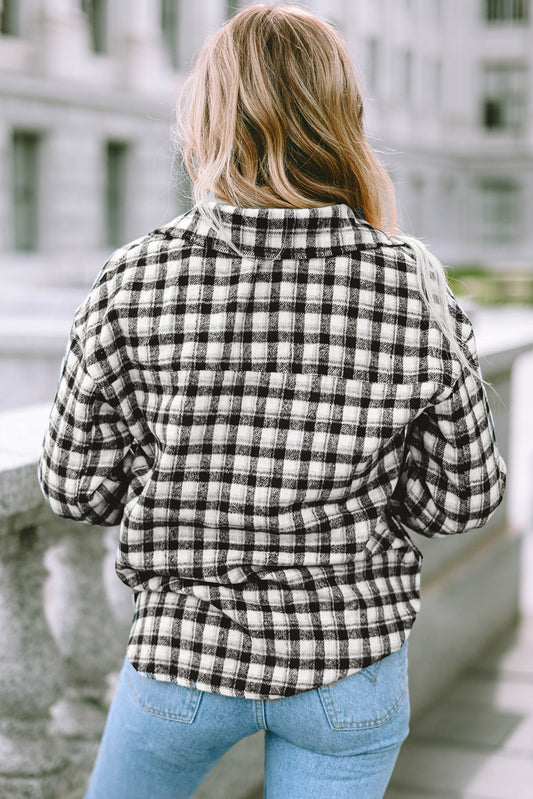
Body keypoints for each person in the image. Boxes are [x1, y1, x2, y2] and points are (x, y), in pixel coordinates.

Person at [37, 5, 506, 798]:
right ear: (340, 119)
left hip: (180, 660)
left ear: (208, 116)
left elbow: (75, 487)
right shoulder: (408, 284)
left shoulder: (136, 277)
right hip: (347, 668)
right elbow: (460, 504)